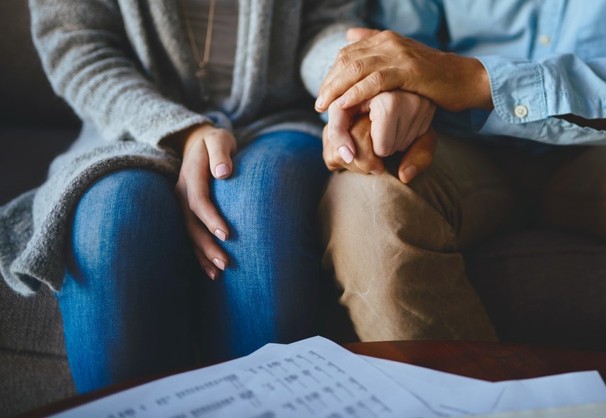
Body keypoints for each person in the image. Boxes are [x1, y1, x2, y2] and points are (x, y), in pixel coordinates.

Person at [310, 0, 606, 376]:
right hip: (458, 148)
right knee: (367, 198)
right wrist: (383, 100)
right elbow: (394, 44)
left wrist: (478, 80)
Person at [0, 0, 360, 393]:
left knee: (258, 210)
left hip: (276, 119)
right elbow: (77, 47)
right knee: (113, 218)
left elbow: (325, 27)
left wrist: (347, 83)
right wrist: (183, 131)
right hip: (130, 125)